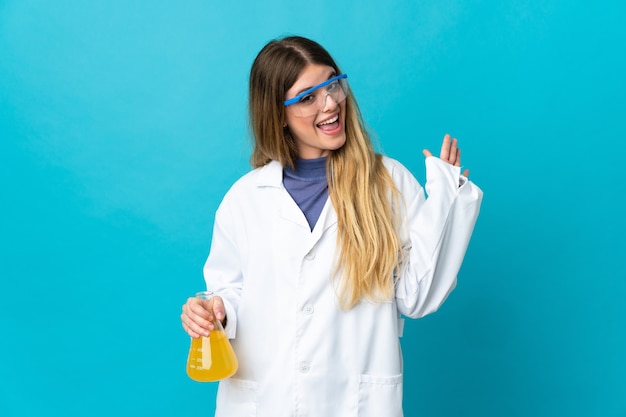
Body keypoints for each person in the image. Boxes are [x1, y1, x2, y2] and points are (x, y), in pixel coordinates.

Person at [181, 35, 482, 417]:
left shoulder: (387, 182)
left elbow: (417, 298)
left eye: (332, 84)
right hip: (266, 401)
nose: (330, 103)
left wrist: (445, 206)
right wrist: (215, 312)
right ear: (278, 113)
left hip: (354, 404)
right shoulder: (245, 199)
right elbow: (230, 291)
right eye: (307, 97)